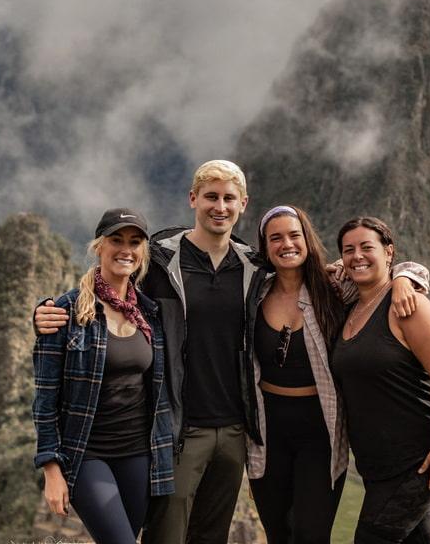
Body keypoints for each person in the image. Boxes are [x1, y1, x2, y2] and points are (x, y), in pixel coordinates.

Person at [37, 160, 260, 544]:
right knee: (159, 535)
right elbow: (46, 392)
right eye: (210, 197)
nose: (219, 206)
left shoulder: (254, 268)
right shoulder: (159, 263)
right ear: (193, 199)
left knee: (208, 534)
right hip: (173, 431)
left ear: (243, 203)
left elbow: (310, 277)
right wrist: (46, 312)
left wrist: (403, 272)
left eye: (228, 198)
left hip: (204, 434)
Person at [247, 205, 430, 544]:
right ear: (265, 246)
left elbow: (378, 277)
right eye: (275, 238)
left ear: (307, 239)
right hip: (267, 427)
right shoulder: (253, 293)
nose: (286, 244)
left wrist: (406, 276)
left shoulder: (332, 288)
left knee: (311, 532)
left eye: (294, 235)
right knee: (278, 532)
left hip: (319, 429)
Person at [32, 207, 174, 544]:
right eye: (116, 240)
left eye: (135, 242)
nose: (126, 249)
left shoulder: (150, 314)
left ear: (143, 253)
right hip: (87, 455)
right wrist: (51, 469)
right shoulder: (65, 313)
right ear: (99, 246)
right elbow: (44, 398)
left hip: (139, 454)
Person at [330, 216, 430, 544]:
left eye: (366, 247)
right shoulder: (350, 304)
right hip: (379, 464)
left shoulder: (407, 304)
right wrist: (407, 272)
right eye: (349, 250)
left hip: (416, 457)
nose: (357, 255)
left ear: (389, 253)